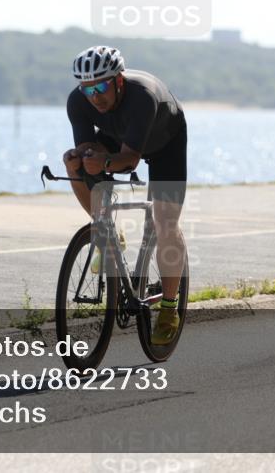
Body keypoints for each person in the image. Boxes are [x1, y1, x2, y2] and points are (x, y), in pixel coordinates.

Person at [62, 46, 188, 345]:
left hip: (164, 141)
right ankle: (106, 232)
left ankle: (169, 308)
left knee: (165, 223)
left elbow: (129, 160)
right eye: (87, 89)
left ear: (119, 80)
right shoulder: (78, 102)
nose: (95, 96)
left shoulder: (141, 96)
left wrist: (105, 162)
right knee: (78, 165)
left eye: (102, 86)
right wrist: (76, 160)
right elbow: (88, 148)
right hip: (120, 136)